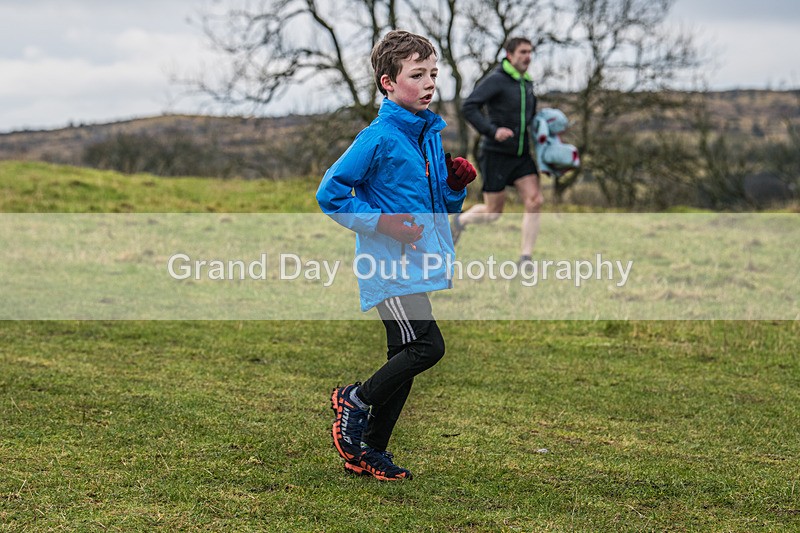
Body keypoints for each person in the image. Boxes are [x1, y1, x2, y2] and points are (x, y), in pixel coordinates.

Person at [316, 30, 477, 481]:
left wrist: (454, 187)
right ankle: (355, 400)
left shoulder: (426, 136)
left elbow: (438, 208)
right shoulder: (379, 137)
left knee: (402, 358)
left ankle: (368, 452)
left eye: (433, 74)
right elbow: (330, 194)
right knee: (427, 346)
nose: (429, 84)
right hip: (387, 264)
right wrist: (382, 223)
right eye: (417, 75)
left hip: (415, 262)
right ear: (388, 83)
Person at [455, 37, 541, 264]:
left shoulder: (527, 84)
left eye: (530, 52)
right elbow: (469, 106)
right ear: (510, 55)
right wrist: (492, 131)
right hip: (496, 154)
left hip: (521, 154)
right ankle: (458, 222)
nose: (528, 57)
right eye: (523, 52)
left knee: (535, 200)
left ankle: (525, 258)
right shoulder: (497, 80)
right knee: (493, 212)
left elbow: (530, 119)